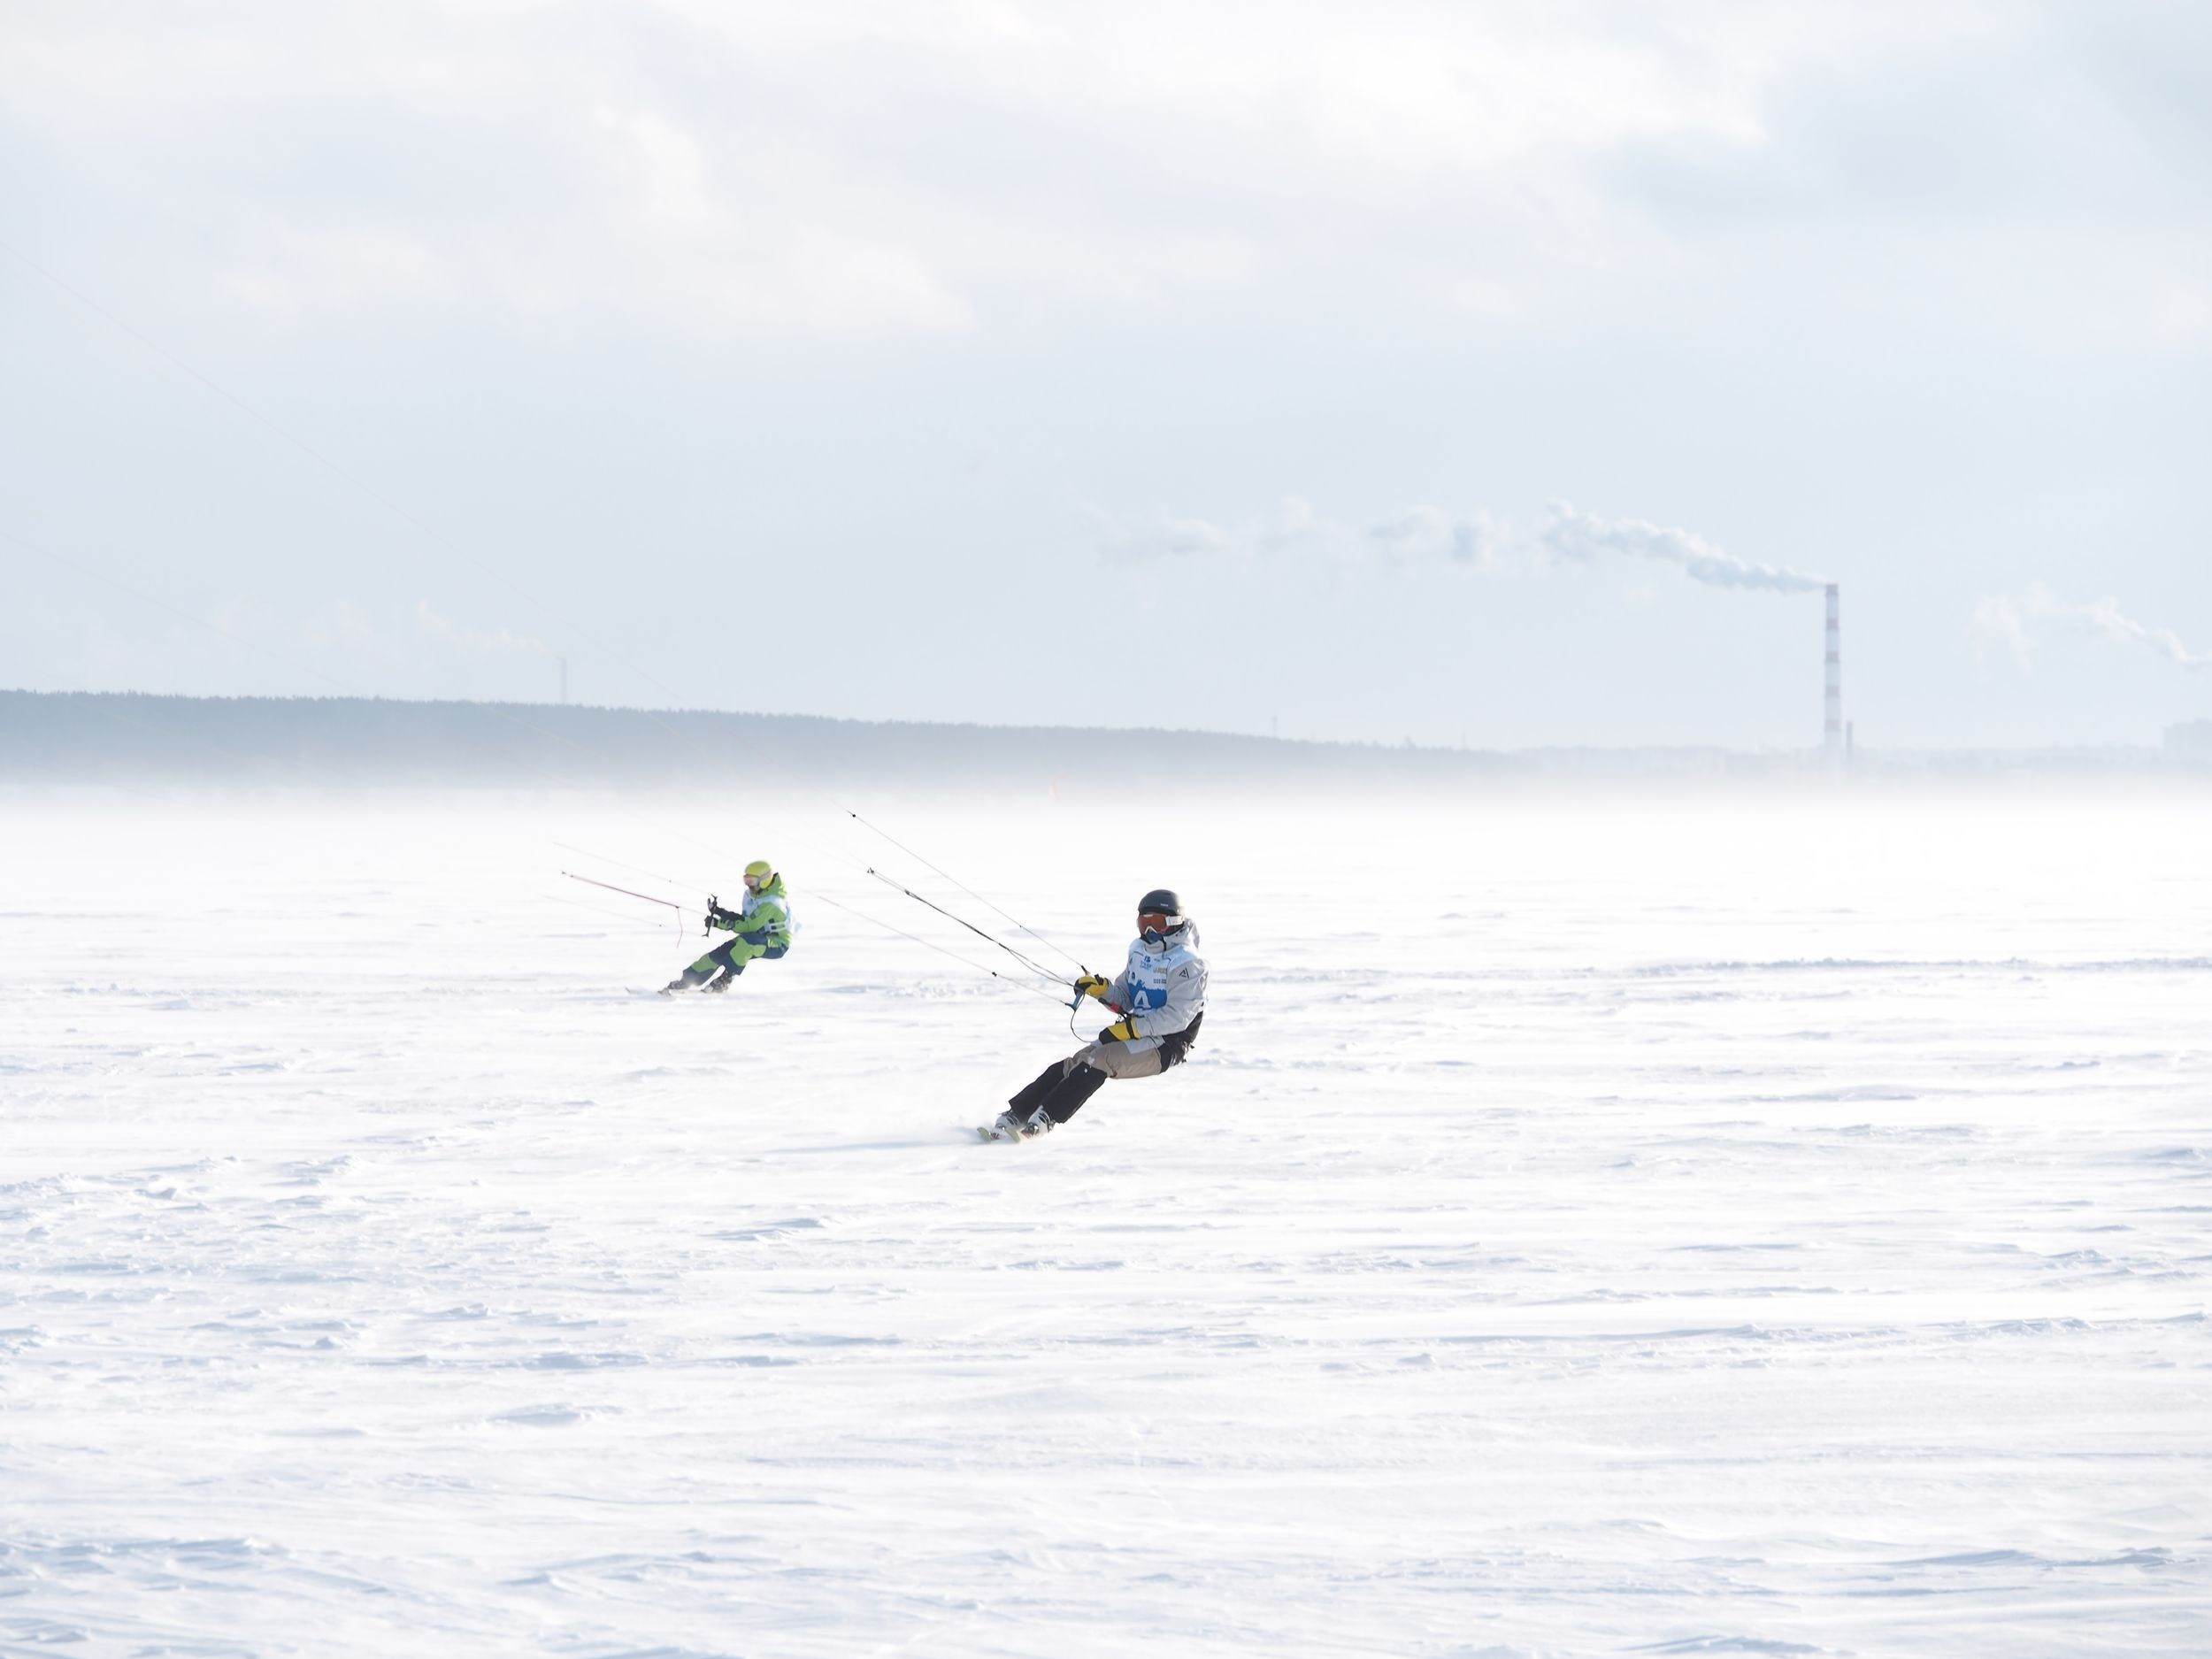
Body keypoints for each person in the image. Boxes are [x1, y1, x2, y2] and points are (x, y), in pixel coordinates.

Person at [987, 888, 1208, 1140]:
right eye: (1143, 923)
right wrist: (1103, 990)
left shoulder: (1188, 964)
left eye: (1155, 923)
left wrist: (1131, 1029)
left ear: (1173, 923)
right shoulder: (1140, 951)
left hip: (1167, 1045)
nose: (1149, 932)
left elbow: (1177, 1017)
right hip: (1137, 1031)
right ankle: (1017, 1114)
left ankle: (1046, 1118)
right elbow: (1126, 998)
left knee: (1098, 1060)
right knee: (1076, 1062)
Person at [663, 860, 792, 993]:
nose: (749, 885)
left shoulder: (772, 902)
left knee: (747, 943)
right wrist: (719, 912)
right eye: (746, 881)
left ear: (764, 880)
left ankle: (725, 980)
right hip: (754, 937)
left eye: (751, 881)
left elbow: (750, 926)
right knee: (720, 953)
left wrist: (718, 924)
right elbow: (745, 919)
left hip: (776, 944)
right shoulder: (755, 896)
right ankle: (687, 980)